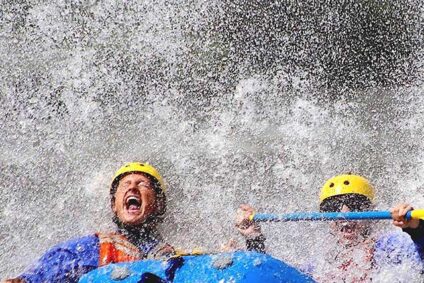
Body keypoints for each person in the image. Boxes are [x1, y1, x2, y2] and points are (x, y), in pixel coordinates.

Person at [2, 162, 175, 283]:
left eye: (143, 184)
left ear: (158, 203)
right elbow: (38, 276)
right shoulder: (90, 248)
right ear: (114, 205)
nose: (132, 188)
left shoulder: (171, 255)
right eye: (125, 184)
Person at [235, 174, 424, 282]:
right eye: (333, 208)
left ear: (370, 212)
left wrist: (415, 227)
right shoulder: (320, 263)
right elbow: (279, 278)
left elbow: (420, 254)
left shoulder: (389, 246)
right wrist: (254, 239)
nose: (344, 215)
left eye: (355, 205)